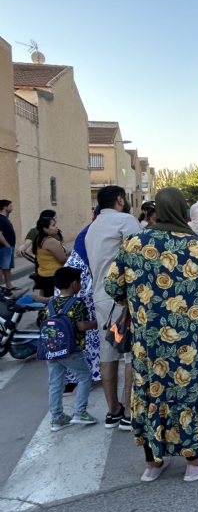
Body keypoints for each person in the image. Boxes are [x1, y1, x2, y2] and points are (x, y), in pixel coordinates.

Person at [105, 186, 198, 482]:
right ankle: (194, 463)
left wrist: (137, 301)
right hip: (190, 341)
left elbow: (113, 287)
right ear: (183, 211)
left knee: (150, 393)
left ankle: (153, 463)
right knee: (187, 393)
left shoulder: (134, 243)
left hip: (146, 340)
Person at [86, 185, 140, 430]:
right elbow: (139, 256)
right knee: (129, 352)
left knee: (107, 355)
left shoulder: (92, 227)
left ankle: (113, 411)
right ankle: (129, 412)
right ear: (120, 199)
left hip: (99, 296)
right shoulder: (125, 220)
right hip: (122, 297)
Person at [46, 266, 98, 432]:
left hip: (51, 349)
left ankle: (57, 417)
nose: (81, 285)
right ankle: (80, 412)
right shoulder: (77, 303)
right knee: (84, 376)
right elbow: (82, 327)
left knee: (56, 383)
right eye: (80, 282)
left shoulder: (51, 303)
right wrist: (98, 322)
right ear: (74, 283)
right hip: (70, 350)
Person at [60, 212, 102, 389]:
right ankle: (88, 376)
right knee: (87, 332)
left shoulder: (89, 229)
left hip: (74, 281)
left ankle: (74, 378)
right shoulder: (97, 230)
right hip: (82, 281)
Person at [33, 217, 68, 298]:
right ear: (45, 228)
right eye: (53, 225)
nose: (56, 227)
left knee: (48, 300)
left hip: (44, 274)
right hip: (54, 275)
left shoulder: (39, 238)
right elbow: (62, 259)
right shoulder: (51, 241)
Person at [0, 200, 18, 290]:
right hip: (3, 247)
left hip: (9, 246)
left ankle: (8, 285)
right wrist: (6, 245)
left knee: (7, 267)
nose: (12, 208)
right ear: (4, 207)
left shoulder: (5, 218)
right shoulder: (0, 218)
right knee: (2, 267)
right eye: (10, 206)